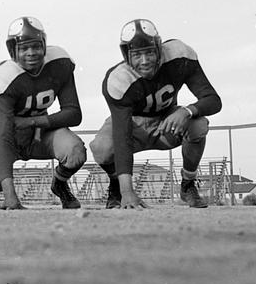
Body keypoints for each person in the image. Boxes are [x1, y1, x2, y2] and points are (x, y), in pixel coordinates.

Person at [89, 18, 222, 209]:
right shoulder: (119, 80)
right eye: (137, 55)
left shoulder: (180, 56)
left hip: (166, 122)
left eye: (149, 52)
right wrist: (128, 192)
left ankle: (187, 184)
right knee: (101, 147)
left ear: (159, 48)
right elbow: (122, 137)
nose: (144, 61)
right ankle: (118, 186)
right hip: (133, 125)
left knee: (198, 125)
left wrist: (186, 111)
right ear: (127, 55)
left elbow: (212, 99)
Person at [0, 16, 86, 210]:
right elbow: (2, 134)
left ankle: (59, 183)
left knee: (75, 150)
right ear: (13, 51)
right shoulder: (4, 76)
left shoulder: (59, 63)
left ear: (44, 45)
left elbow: (74, 114)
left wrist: (32, 122)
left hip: (39, 132)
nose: (31, 53)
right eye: (24, 48)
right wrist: (11, 196)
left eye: (36, 46)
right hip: (4, 132)